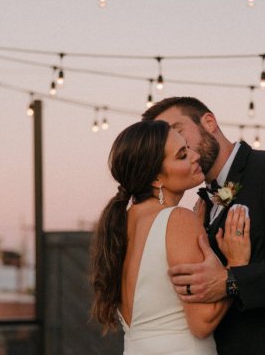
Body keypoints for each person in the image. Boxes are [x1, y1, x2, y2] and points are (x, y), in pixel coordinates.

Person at [142, 98, 265, 355]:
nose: (177, 145)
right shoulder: (202, 205)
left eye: (178, 131)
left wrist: (231, 281)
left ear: (209, 122)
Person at [90, 119, 252, 354]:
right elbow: (202, 323)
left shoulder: (122, 224)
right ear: (156, 178)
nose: (195, 155)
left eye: (188, 147)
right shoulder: (177, 219)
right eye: (182, 155)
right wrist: (236, 266)